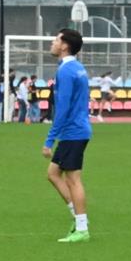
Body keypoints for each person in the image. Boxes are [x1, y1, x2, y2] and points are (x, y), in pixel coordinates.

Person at [43, 28, 92, 242]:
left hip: (73, 131)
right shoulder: (78, 68)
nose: (52, 43)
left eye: (56, 39)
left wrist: (49, 139)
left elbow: (62, 108)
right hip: (79, 128)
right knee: (53, 173)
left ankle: (82, 227)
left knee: (73, 179)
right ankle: (79, 218)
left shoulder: (65, 71)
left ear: (64, 45)